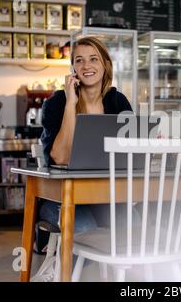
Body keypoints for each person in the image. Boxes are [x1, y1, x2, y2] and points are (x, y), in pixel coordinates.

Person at [38, 36, 133, 233]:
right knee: (86, 230)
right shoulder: (57, 103)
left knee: (133, 226)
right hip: (61, 197)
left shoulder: (117, 102)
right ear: (73, 68)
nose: (86, 65)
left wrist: (147, 143)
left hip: (104, 197)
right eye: (79, 60)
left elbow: (129, 153)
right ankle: (67, 260)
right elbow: (61, 158)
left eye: (93, 59)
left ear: (106, 65)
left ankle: (117, 265)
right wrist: (70, 103)